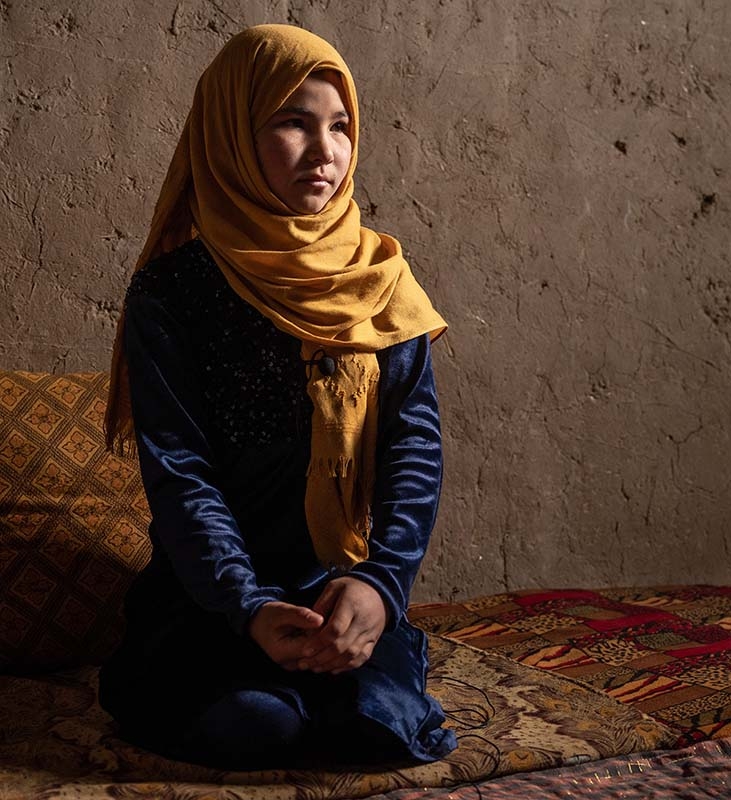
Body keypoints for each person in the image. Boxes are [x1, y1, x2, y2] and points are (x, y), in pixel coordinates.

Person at [98, 24, 456, 770]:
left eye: (341, 125)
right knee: (254, 726)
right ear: (229, 134)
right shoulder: (175, 294)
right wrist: (249, 606)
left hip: (341, 586)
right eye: (292, 122)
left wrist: (380, 586)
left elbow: (413, 449)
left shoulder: (378, 280)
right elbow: (180, 469)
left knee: (377, 728)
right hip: (214, 599)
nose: (325, 150)